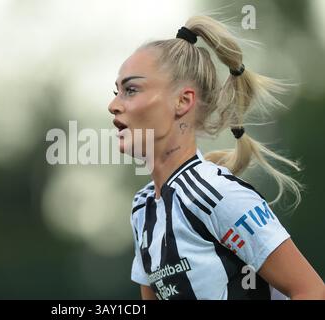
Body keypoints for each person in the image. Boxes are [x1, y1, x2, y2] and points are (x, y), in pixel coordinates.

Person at [108, 15, 324, 300]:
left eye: (131, 90)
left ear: (183, 102)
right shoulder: (142, 209)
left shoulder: (218, 194)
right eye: (117, 92)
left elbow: (310, 290)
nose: (113, 105)